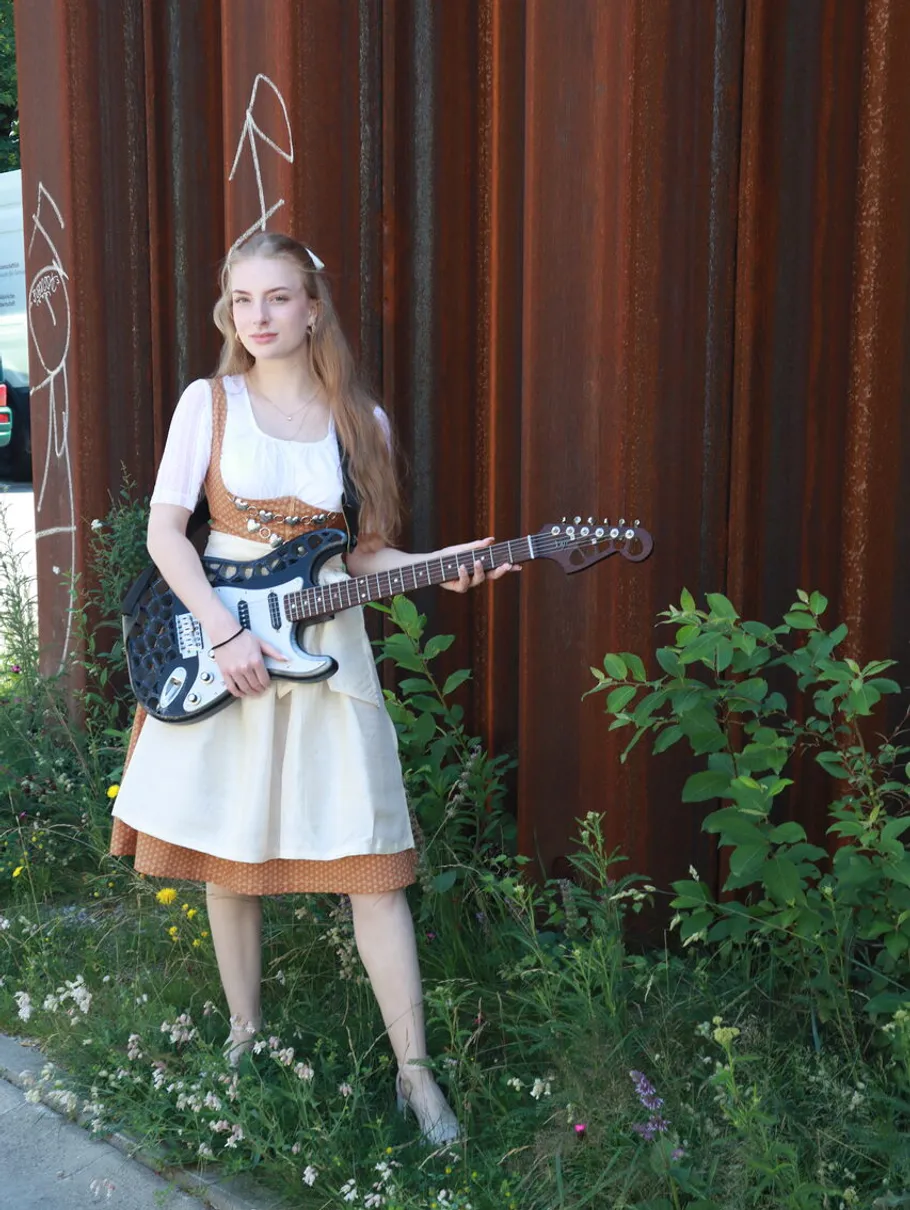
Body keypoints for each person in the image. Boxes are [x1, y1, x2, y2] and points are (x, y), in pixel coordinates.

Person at [110, 232, 515, 1146]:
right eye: (242, 300)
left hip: (331, 652)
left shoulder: (356, 421)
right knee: (225, 854)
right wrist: (223, 629)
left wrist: (443, 566)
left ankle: (416, 1077)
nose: (258, 317)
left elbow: (366, 555)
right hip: (224, 643)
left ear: (313, 308)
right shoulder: (206, 405)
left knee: (371, 863)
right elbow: (167, 534)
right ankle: (246, 1035)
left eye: (278, 298)